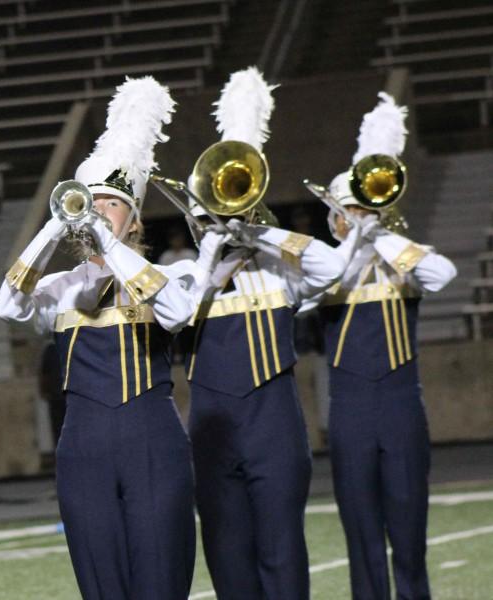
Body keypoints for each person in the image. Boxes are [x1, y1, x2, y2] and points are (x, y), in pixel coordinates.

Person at [0, 77, 199, 600]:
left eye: (111, 203)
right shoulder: (62, 289)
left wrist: (110, 242)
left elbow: (175, 313)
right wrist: (51, 227)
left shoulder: (173, 272)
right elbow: (7, 304)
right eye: (91, 201)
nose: (97, 211)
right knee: (101, 586)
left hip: (153, 439)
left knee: (160, 581)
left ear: (133, 217)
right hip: (82, 446)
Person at [180, 68, 346, 600]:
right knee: (228, 557)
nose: (221, 219)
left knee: (282, 552)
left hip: (274, 424)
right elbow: (176, 312)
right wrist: (213, 251)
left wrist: (257, 232)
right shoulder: (185, 275)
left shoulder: (279, 272)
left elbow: (330, 268)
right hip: (211, 427)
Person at [305, 92, 457, 600]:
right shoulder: (322, 266)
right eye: (345, 211)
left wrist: (379, 233)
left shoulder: (403, 259)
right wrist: (355, 239)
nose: (353, 217)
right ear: (332, 217)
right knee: (362, 534)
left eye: (360, 209)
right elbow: (315, 291)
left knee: (409, 534)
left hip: (400, 406)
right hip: (349, 412)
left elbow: (442, 274)